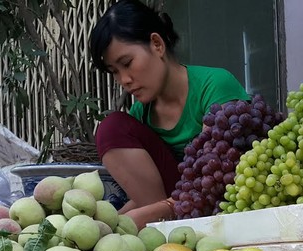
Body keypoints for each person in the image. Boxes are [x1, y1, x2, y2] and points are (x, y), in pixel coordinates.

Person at [88, 0, 249, 229]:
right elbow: (153, 197)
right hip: (176, 208)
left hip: (222, 204)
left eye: (127, 63)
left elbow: (215, 181)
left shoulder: (214, 86)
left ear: (157, 44)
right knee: (112, 128)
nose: (124, 80)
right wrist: (103, 225)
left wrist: (137, 219)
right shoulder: (140, 116)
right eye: (115, 72)